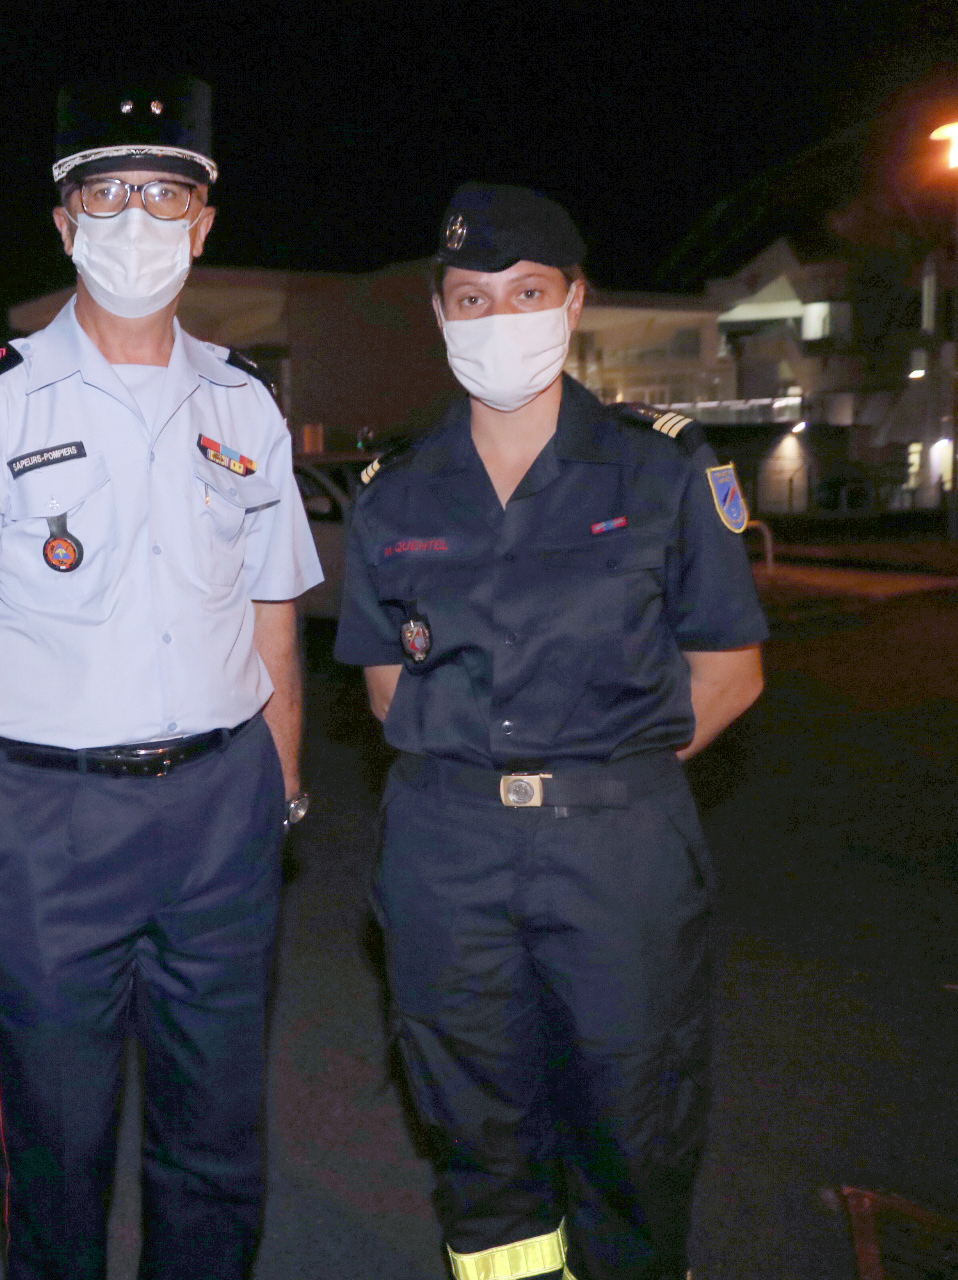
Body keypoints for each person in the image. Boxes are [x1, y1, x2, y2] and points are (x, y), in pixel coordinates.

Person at [0, 75, 322, 1280]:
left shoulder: (245, 403)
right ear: (63, 223)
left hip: (224, 801)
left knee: (218, 1136)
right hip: (49, 816)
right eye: (106, 193)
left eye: (164, 192)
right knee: (58, 1140)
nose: (136, 218)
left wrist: (280, 783)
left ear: (203, 221)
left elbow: (274, 605)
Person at [334, 183, 768, 1280]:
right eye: (471, 298)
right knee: (472, 1119)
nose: (499, 318)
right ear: (441, 316)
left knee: (634, 1116)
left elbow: (730, 669)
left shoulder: (664, 467)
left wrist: (602, 773)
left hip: (617, 846)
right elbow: (387, 688)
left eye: (526, 292)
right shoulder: (391, 492)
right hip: (447, 846)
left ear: (573, 304)